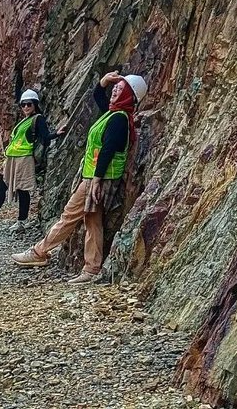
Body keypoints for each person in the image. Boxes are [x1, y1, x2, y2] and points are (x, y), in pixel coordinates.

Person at [12, 71, 148, 284]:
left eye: (120, 90)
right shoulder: (114, 114)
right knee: (92, 220)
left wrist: (96, 179)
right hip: (99, 177)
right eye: (115, 88)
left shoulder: (119, 119)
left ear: (129, 97)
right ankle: (91, 268)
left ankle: (39, 252)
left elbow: (108, 149)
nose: (114, 92)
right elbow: (98, 98)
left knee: (69, 216)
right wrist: (103, 82)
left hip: (99, 178)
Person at [0, 89, 65, 234]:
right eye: (23, 105)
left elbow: (45, 136)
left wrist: (57, 134)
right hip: (13, 158)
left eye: (29, 104)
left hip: (24, 158)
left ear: (35, 104)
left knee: (22, 189)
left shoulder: (38, 119)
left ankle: (20, 221)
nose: (25, 107)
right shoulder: (25, 120)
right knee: (1, 185)